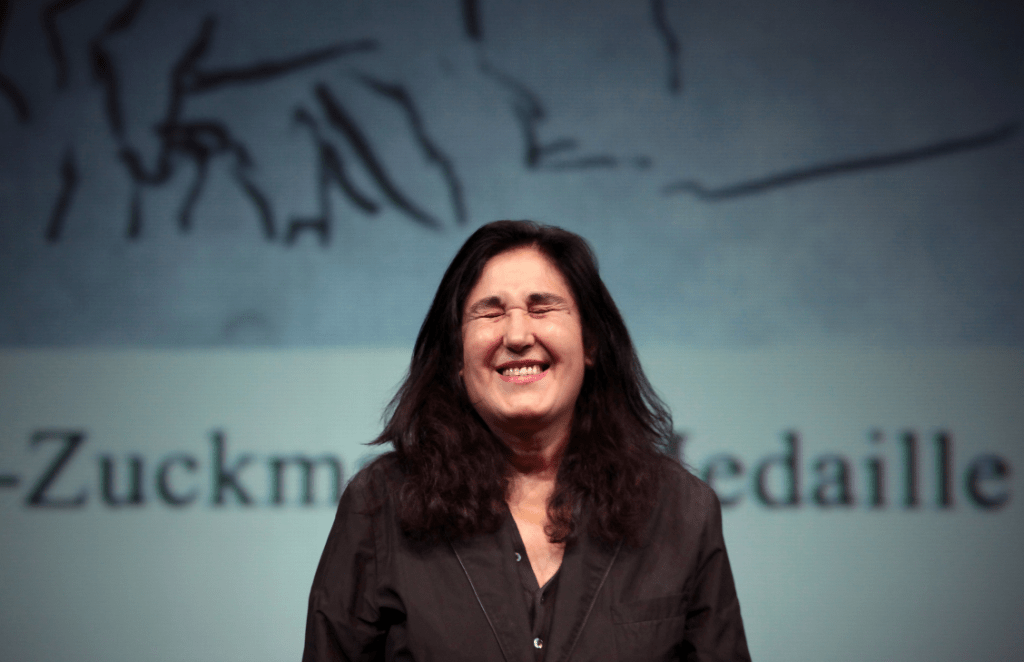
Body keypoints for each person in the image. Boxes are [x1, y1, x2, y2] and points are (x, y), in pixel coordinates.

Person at [303, 220, 750, 661]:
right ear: (457, 355)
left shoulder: (681, 509)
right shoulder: (380, 504)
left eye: (541, 309)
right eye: (491, 313)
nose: (517, 336)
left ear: (590, 343)